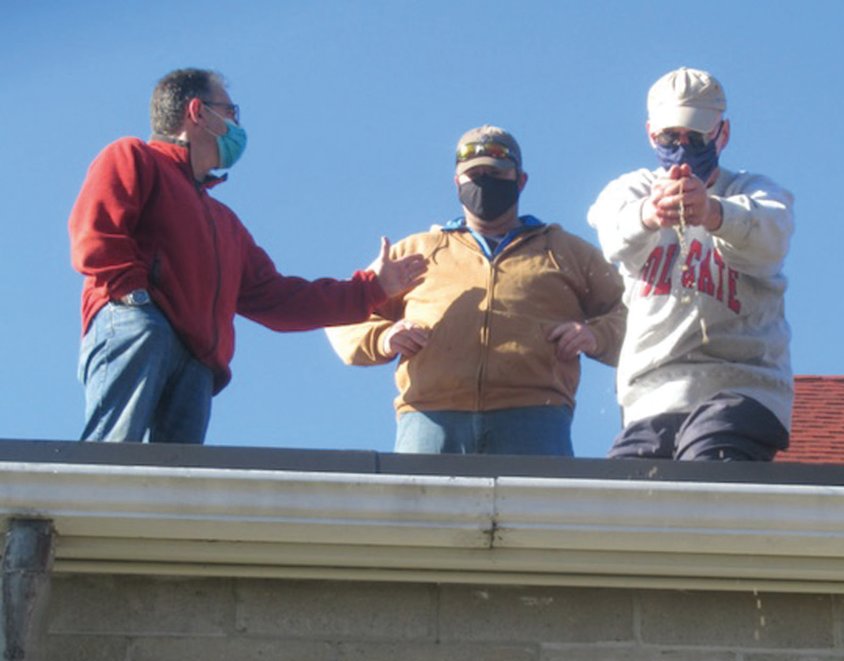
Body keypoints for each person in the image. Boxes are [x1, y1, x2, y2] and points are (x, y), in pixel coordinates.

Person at [69, 68, 426, 444]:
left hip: (197, 363)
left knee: (172, 488)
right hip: (138, 329)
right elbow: (96, 235)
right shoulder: (133, 156)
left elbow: (277, 297)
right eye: (231, 111)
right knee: (111, 455)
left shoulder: (225, 223)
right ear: (198, 112)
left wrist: (370, 290)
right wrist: (137, 303)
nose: (237, 124)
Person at [326, 125, 625, 456]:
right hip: (428, 418)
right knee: (421, 509)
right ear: (457, 182)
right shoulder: (417, 250)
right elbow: (344, 313)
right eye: (474, 174)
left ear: (520, 180)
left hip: (536, 417)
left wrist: (597, 335)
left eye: (496, 173)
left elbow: (638, 309)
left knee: (533, 509)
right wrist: (383, 337)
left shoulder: (567, 251)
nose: (484, 181)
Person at [587, 67, 793, 461]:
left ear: (723, 134)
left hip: (744, 385)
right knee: (627, 491)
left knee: (710, 461)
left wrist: (714, 213)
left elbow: (772, 235)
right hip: (654, 395)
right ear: (651, 134)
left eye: (696, 135)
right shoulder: (631, 190)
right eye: (670, 136)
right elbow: (612, 231)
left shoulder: (753, 191)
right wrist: (649, 213)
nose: (683, 146)